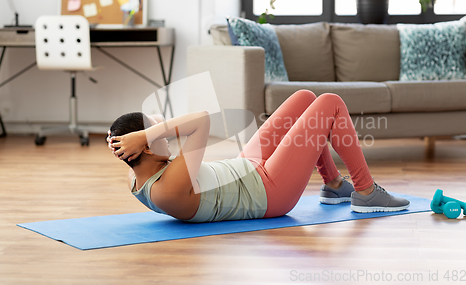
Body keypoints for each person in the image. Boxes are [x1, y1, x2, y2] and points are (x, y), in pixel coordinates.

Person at [108, 90, 409, 223]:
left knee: (305, 98)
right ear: (145, 146)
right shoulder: (166, 190)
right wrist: (144, 134)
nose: (164, 133)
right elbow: (201, 120)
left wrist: (139, 134)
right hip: (268, 192)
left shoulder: (137, 173)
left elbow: (154, 125)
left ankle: (332, 184)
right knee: (329, 103)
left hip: (245, 169)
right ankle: (366, 191)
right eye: (156, 133)